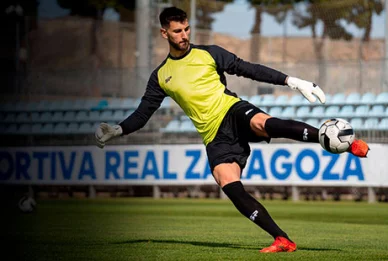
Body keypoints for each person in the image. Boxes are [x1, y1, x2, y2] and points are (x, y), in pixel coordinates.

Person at [95, 7, 370, 253]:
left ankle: (346, 143)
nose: (184, 35)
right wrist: (118, 129)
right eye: (177, 31)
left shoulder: (209, 53)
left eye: (187, 28)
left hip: (232, 110)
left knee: (262, 123)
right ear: (164, 33)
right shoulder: (161, 76)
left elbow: (248, 69)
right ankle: (282, 239)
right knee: (228, 183)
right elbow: (144, 114)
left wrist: (292, 81)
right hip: (213, 135)